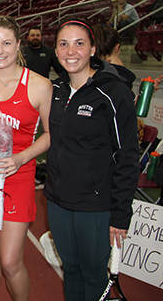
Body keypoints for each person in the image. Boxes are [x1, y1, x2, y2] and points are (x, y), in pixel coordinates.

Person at [45, 18, 139, 301]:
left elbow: (128, 157)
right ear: (56, 51)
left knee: (93, 273)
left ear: (93, 49)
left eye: (79, 44)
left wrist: (121, 215)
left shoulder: (113, 93)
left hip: (95, 206)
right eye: (63, 44)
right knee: (70, 269)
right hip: (59, 202)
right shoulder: (56, 90)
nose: (71, 51)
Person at [0, 15, 52, 301]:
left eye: (6, 43)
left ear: (18, 46)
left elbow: (52, 135)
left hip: (18, 176)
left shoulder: (39, 86)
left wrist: (22, 157)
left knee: (10, 261)